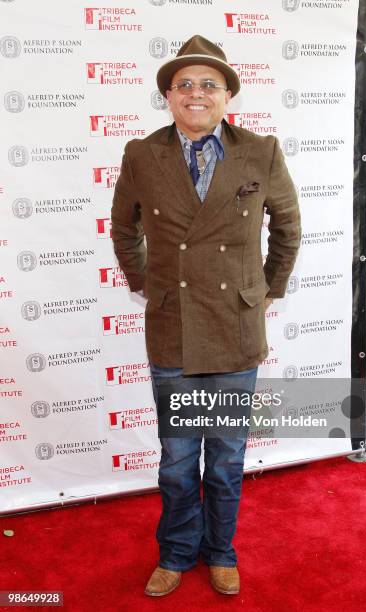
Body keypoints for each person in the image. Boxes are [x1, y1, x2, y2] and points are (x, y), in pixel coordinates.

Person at [111, 34, 301, 597]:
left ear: (227, 95)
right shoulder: (142, 153)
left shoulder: (260, 150)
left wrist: (265, 290)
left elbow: (287, 230)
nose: (196, 93)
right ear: (169, 96)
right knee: (176, 460)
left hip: (236, 330)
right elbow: (125, 231)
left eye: (208, 84)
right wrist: (150, 285)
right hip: (174, 330)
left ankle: (220, 551)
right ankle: (176, 551)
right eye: (185, 84)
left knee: (224, 460)